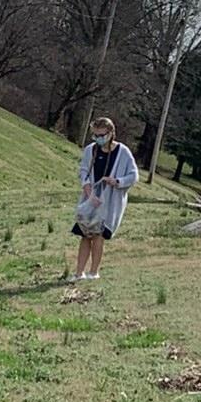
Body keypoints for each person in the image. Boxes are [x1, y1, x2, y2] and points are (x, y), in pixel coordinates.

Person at [70, 116, 138, 280]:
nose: (99, 139)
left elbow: (133, 175)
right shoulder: (90, 150)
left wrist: (117, 181)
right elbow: (84, 171)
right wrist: (88, 192)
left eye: (102, 135)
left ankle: (94, 272)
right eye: (96, 135)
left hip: (109, 201)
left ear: (110, 133)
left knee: (99, 235)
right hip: (91, 199)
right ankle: (79, 273)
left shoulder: (123, 152)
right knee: (85, 233)